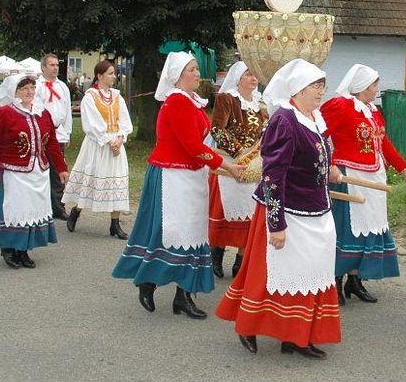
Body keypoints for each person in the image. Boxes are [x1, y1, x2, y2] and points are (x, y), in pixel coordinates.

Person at [216, 58, 343, 359]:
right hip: (285, 210)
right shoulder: (284, 120)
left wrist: (331, 169)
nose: (321, 92)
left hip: (316, 210)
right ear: (298, 90)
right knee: (268, 272)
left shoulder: (314, 117)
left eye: (323, 85)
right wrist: (277, 224)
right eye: (316, 86)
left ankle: (296, 336)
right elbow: (273, 174)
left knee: (312, 273)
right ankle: (248, 325)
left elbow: (319, 154)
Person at [113, 52, 244, 319]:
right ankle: (147, 280)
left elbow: (200, 147)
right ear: (178, 76)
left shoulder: (192, 103)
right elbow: (192, 146)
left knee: (193, 235)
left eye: (197, 69)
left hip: (191, 177)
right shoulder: (176, 103)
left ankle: (183, 296)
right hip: (171, 178)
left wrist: (220, 164)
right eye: (192, 70)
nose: (197, 74)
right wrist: (227, 165)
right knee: (170, 233)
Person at [321, 64, 406, 305]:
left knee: (370, 227)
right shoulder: (340, 106)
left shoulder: (373, 111)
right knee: (347, 227)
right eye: (374, 85)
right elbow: (319, 134)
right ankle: (335, 280)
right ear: (362, 86)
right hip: (348, 176)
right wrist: (329, 164)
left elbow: (384, 144)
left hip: (374, 177)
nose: (376, 89)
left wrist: (402, 167)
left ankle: (356, 280)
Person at [0, 74, 69, 269]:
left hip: (38, 172)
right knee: (15, 210)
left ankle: (24, 249)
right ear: (13, 91)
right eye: (24, 88)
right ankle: (9, 248)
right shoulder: (3, 113)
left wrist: (61, 168)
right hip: (13, 172)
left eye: (32, 88)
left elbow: (51, 143)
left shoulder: (42, 113)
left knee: (33, 211)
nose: (29, 92)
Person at [209, 61, 268, 279]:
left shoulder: (261, 103)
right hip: (229, 163)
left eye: (255, 75)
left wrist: (260, 153)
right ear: (238, 77)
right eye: (249, 75)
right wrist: (240, 152)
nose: (254, 79)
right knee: (226, 213)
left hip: (254, 166)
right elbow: (217, 130)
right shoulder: (227, 99)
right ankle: (216, 255)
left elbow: (266, 131)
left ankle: (240, 262)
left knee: (250, 215)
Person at [62, 60, 132, 239]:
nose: (113, 76)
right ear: (99, 76)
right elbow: (91, 124)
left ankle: (114, 224)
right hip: (97, 145)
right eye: (110, 73)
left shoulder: (117, 96)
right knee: (91, 180)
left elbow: (124, 121)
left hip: (116, 143)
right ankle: (76, 211)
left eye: (114, 73)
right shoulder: (90, 96)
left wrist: (120, 138)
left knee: (117, 182)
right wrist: (109, 141)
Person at [35, 53, 72, 220]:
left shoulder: (62, 87)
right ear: (43, 67)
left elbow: (67, 110)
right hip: (42, 134)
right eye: (51, 65)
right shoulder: (37, 86)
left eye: (57, 65)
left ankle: (58, 206)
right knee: (41, 170)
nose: (55, 68)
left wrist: (68, 132)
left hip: (59, 132)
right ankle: (41, 205)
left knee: (58, 171)